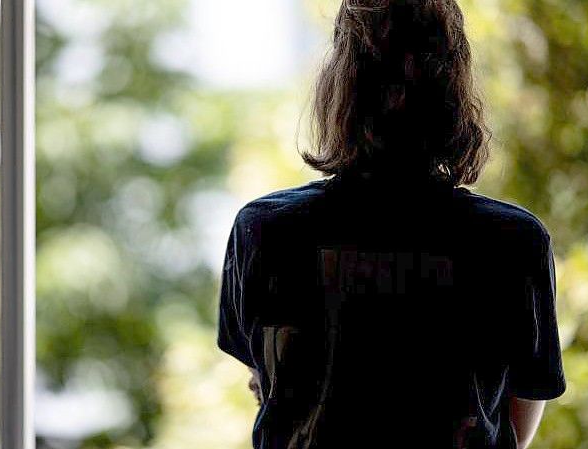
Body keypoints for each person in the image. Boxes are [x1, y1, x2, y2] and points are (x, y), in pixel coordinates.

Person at [216, 1, 566, 448]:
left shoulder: (264, 230)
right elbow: (514, 424)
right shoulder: (514, 241)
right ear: (455, 89)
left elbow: (272, 385)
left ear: (337, 85)